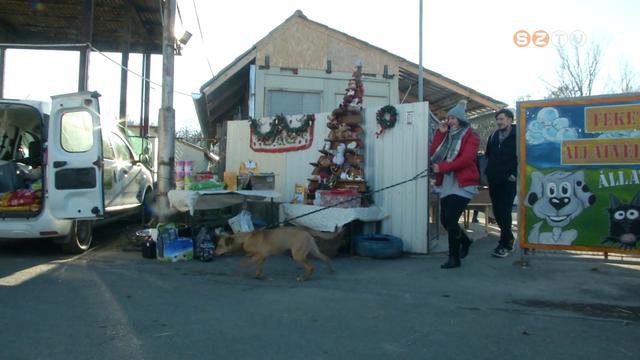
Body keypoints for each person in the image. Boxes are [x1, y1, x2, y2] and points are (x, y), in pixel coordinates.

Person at [430, 100, 480, 269]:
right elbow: (434, 153)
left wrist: (443, 167)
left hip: (463, 183)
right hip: (446, 181)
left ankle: (454, 258)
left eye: (453, 118)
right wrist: (440, 133)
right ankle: (465, 241)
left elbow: (466, 160)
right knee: (445, 220)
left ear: (461, 120)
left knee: (451, 220)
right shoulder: (447, 135)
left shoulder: (471, 135)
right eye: (449, 118)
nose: (450, 121)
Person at [484, 109, 518, 258]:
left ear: (510, 120)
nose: (499, 122)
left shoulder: (518, 136)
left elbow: (522, 157)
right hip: (494, 180)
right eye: (497, 119)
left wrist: (514, 175)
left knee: (505, 211)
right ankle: (508, 238)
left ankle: (505, 243)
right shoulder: (493, 136)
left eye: (502, 119)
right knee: (497, 212)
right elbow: (487, 156)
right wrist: (487, 175)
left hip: (509, 181)